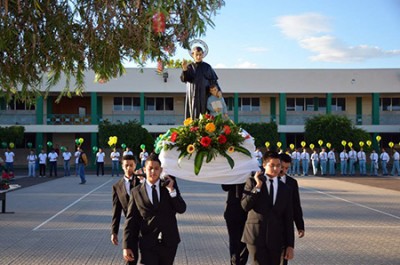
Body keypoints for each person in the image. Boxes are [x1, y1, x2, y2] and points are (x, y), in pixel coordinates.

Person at [123, 154, 186, 265]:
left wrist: (172, 190)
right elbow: (130, 220)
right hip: (147, 242)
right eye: (150, 168)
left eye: (156, 168)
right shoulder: (136, 192)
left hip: (169, 242)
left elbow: (181, 209)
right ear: (144, 169)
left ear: (161, 170)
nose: (153, 171)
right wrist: (127, 246)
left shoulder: (169, 186)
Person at [241, 151, 294, 265]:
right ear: (264, 165)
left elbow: (288, 217)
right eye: (272, 165)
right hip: (256, 235)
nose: (276, 168)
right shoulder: (252, 181)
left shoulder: (285, 189)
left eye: (278, 165)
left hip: (276, 237)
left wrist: (290, 245)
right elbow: (245, 206)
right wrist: (258, 186)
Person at [111, 154, 145, 265]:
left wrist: (143, 179)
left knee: (148, 257)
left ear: (135, 165)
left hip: (146, 225)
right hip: (131, 227)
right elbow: (116, 211)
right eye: (126, 165)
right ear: (122, 166)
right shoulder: (117, 186)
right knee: (130, 259)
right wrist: (114, 232)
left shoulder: (141, 180)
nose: (128, 168)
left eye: (131, 165)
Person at [278, 153, 305, 265]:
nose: (284, 170)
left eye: (286, 168)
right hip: (268, 227)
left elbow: (296, 205)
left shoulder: (292, 183)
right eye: (282, 167)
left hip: (285, 227)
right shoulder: (266, 181)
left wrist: (300, 225)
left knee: (283, 260)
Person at [181, 46, 221, 119]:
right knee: (193, 113)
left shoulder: (207, 67)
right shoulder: (189, 67)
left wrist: (218, 91)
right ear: (193, 55)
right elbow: (184, 79)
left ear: (203, 54)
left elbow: (213, 80)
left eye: (200, 54)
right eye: (196, 55)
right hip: (193, 95)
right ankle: (193, 128)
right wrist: (184, 69)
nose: (198, 57)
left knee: (206, 113)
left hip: (205, 94)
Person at [221, 183, 248, 265]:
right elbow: (225, 187)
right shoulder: (232, 170)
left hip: (249, 211)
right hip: (233, 211)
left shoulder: (253, 171)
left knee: (246, 244)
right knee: (234, 243)